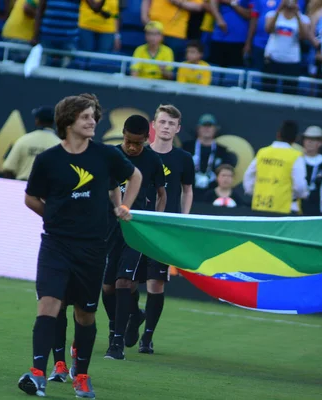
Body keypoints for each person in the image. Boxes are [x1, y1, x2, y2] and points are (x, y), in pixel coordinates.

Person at [17, 93, 142, 399]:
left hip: (92, 248)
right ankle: (36, 374)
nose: (93, 122)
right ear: (68, 120)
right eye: (86, 117)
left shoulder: (104, 155)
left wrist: (124, 206)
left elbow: (134, 175)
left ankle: (81, 375)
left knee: (85, 315)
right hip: (56, 245)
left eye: (93, 117)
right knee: (48, 304)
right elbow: (31, 197)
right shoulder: (48, 160)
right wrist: (56, 217)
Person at [101, 115, 167, 360]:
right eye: (128, 141)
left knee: (123, 283)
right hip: (110, 227)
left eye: (137, 143)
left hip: (136, 228)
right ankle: (131, 316)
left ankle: (115, 343)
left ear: (146, 139)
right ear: (123, 134)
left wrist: (155, 223)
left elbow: (162, 194)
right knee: (107, 288)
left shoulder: (152, 160)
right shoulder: (112, 155)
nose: (131, 147)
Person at [136, 104, 194, 354]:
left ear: (178, 128)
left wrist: (184, 219)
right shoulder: (140, 153)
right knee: (124, 282)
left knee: (156, 284)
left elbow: (188, 190)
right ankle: (131, 318)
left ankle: (147, 337)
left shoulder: (183, 159)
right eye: (163, 122)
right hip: (138, 226)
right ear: (154, 125)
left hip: (165, 230)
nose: (167, 127)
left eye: (172, 123)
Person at [243, 120, 309, 215]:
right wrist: (303, 194)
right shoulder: (295, 156)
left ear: (278, 134)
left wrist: (254, 192)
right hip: (285, 209)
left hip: (259, 206)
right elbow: (299, 185)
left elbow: (248, 176)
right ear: (296, 138)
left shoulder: (263, 152)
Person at [182, 113, 237, 202]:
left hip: (213, 197)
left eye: (210, 126)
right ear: (198, 128)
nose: (207, 129)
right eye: (204, 125)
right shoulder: (187, 147)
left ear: (215, 129)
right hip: (188, 192)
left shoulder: (222, 151)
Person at [3, 106, 60, 180]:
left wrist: (14, 187)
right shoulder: (59, 145)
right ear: (53, 122)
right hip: (48, 189)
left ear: (37, 121)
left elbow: (8, 169)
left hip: (23, 186)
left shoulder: (24, 140)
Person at [297, 126, 322, 216]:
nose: (309, 142)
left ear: (320, 143)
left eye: (313, 139)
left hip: (316, 209)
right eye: (307, 139)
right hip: (297, 208)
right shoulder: (297, 159)